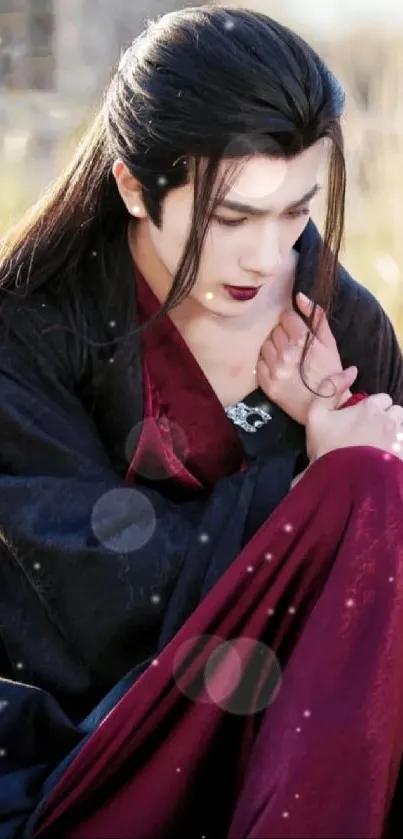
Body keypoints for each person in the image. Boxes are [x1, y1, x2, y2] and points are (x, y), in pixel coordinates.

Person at [1, 5, 403, 837]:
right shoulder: (32, 323)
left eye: (294, 211)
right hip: (101, 727)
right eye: (231, 218)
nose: (267, 254)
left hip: (314, 723)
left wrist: (347, 451)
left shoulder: (344, 324)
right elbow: (85, 588)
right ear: (131, 186)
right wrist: (310, 485)